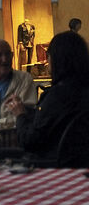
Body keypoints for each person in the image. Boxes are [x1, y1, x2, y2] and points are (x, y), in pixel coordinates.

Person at [20, 31, 89, 166]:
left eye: (48, 55)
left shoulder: (57, 97)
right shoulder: (83, 91)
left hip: (56, 166)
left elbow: (30, 141)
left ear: (56, 59)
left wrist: (20, 115)